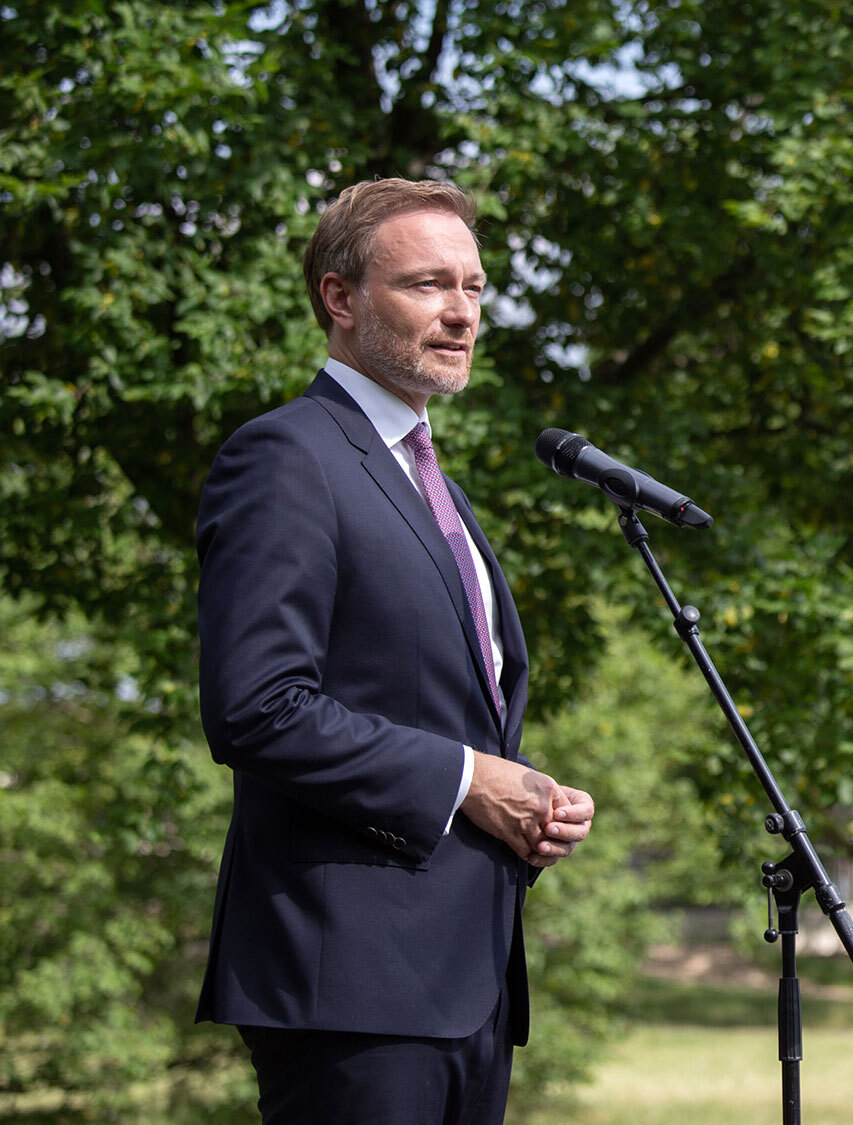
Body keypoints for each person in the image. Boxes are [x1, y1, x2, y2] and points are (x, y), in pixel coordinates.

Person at [194, 178, 595, 1124]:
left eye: (475, 286)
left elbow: (431, 702)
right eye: (426, 285)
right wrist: (469, 779)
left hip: (468, 978)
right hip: (352, 985)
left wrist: (525, 798)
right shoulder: (287, 456)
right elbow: (258, 706)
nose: (461, 313)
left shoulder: (430, 481)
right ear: (341, 298)